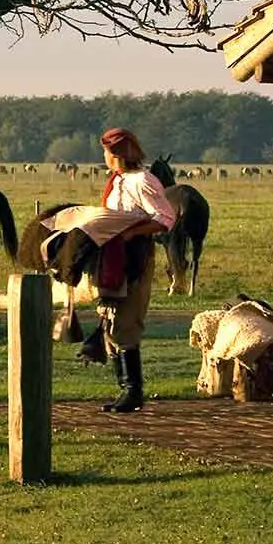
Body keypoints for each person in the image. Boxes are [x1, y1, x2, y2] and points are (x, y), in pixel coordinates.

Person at [90, 127, 175, 413]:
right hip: (112, 256)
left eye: (106, 151)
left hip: (134, 256)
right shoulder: (116, 181)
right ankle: (122, 390)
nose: (103, 156)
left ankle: (132, 391)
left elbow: (165, 218)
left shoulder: (143, 181)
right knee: (111, 318)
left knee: (126, 319)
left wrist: (129, 235)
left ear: (116, 153)